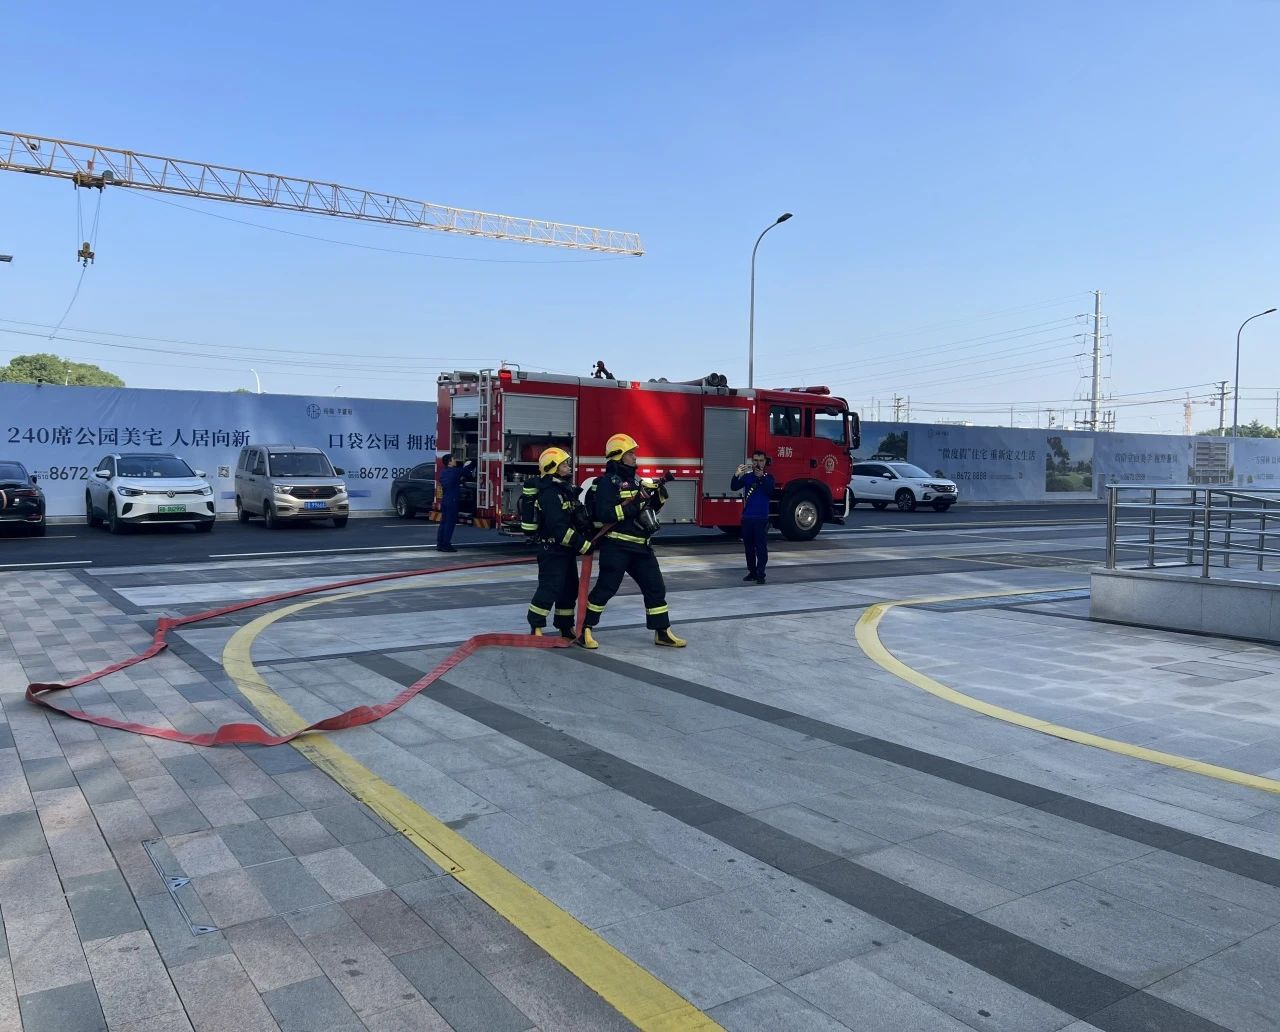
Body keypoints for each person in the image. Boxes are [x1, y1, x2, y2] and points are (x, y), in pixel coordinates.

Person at [579, 433, 686, 649]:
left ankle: (662, 631)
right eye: (630, 453)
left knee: (655, 588)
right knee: (606, 589)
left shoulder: (636, 480)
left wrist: (658, 497)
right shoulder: (607, 483)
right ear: (618, 456)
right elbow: (605, 514)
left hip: (641, 547)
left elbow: (646, 511)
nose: (635, 456)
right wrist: (635, 504)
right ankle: (584, 629)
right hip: (616, 546)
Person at [527, 447, 593, 637]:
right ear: (552, 468)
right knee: (550, 587)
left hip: (565, 551)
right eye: (564, 465)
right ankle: (536, 626)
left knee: (569, 589)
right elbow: (558, 528)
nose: (568, 467)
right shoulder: (549, 494)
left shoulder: (564, 490)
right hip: (552, 549)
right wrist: (583, 544)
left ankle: (565, 626)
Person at [731, 451, 775, 583]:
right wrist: (736, 474)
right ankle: (752, 572)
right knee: (748, 548)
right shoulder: (748, 477)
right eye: (755, 460)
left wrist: (762, 478)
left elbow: (770, 492)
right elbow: (734, 487)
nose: (758, 463)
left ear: (765, 462)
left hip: (761, 518)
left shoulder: (769, 478)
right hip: (747, 517)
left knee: (761, 548)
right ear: (752, 461)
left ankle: (761, 574)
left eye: (761, 460)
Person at [435, 454, 473, 552]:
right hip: (452, 500)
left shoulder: (443, 472)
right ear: (449, 462)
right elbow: (466, 470)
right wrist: (474, 461)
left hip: (445, 500)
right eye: (453, 459)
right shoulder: (455, 471)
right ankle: (446, 545)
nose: (455, 460)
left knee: (443, 522)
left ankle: (440, 544)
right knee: (450, 523)